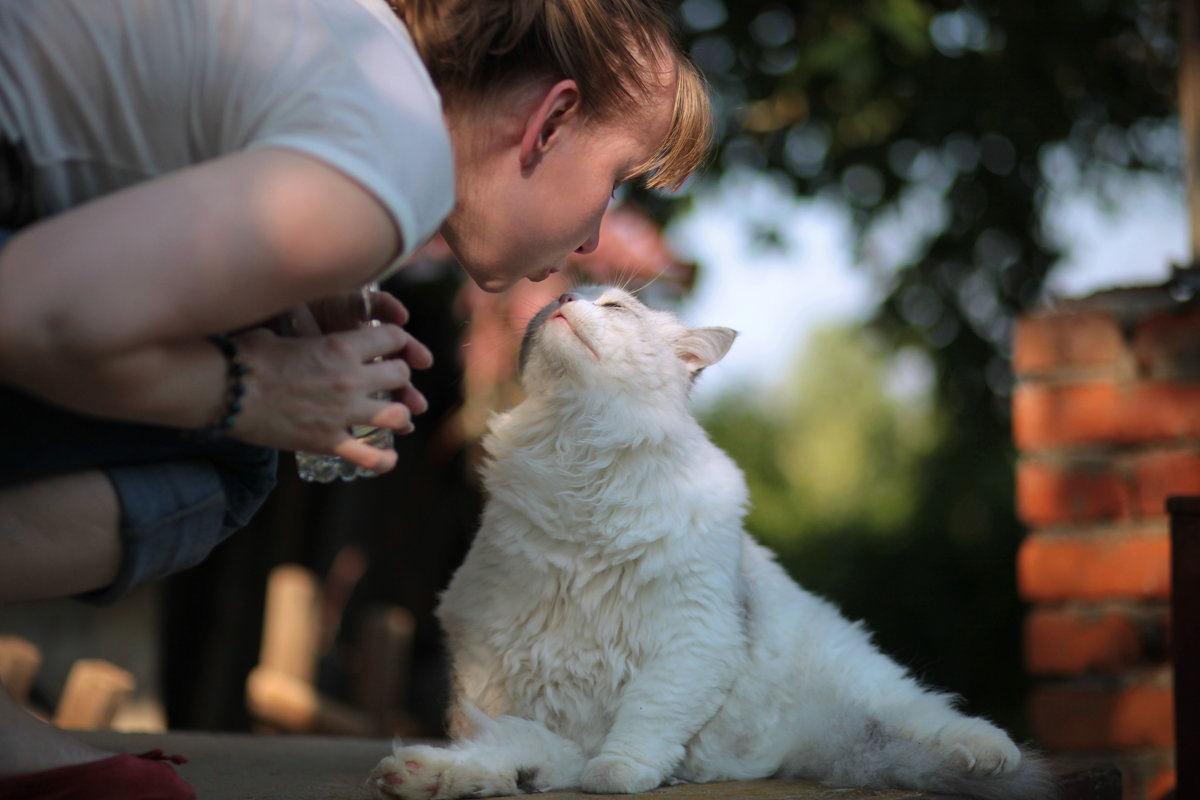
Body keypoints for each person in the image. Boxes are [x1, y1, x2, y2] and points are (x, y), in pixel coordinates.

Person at [0, 0, 712, 796]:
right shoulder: (397, 152)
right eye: (614, 180)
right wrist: (251, 388)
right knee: (228, 459)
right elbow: (26, 309)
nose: (591, 241)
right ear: (550, 122)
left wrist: (266, 305)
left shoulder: (354, 44)